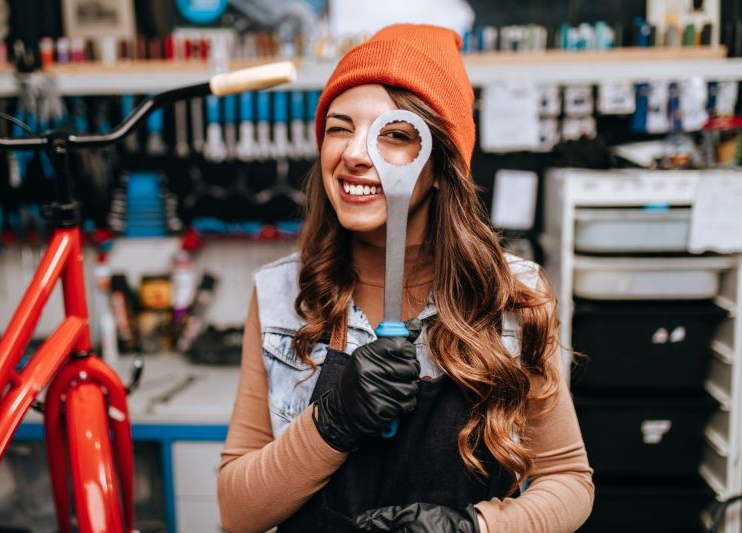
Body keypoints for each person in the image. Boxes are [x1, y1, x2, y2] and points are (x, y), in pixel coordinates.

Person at [218, 23, 594, 533]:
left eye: (394, 135)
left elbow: (569, 481)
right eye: (339, 127)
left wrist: (474, 529)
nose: (355, 153)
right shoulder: (284, 296)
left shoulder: (513, 296)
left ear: (440, 165)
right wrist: (333, 421)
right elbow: (238, 514)